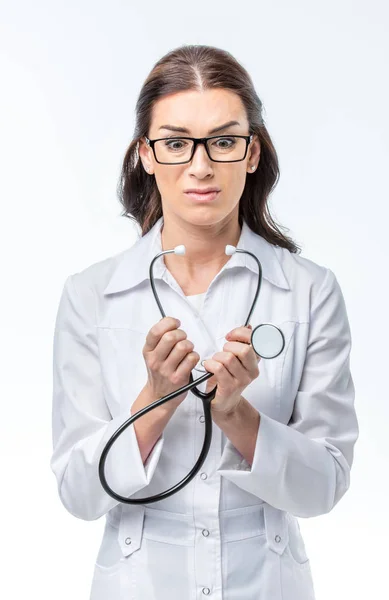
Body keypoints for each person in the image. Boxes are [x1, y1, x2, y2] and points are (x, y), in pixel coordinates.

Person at [50, 44, 359, 600]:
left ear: (252, 153)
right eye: (175, 143)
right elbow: (77, 494)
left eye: (222, 141)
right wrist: (156, 399)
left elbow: (324, 488)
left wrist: (238, 415)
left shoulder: (311, 290)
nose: (200, 166)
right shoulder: (90, 295)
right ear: (146, 154)